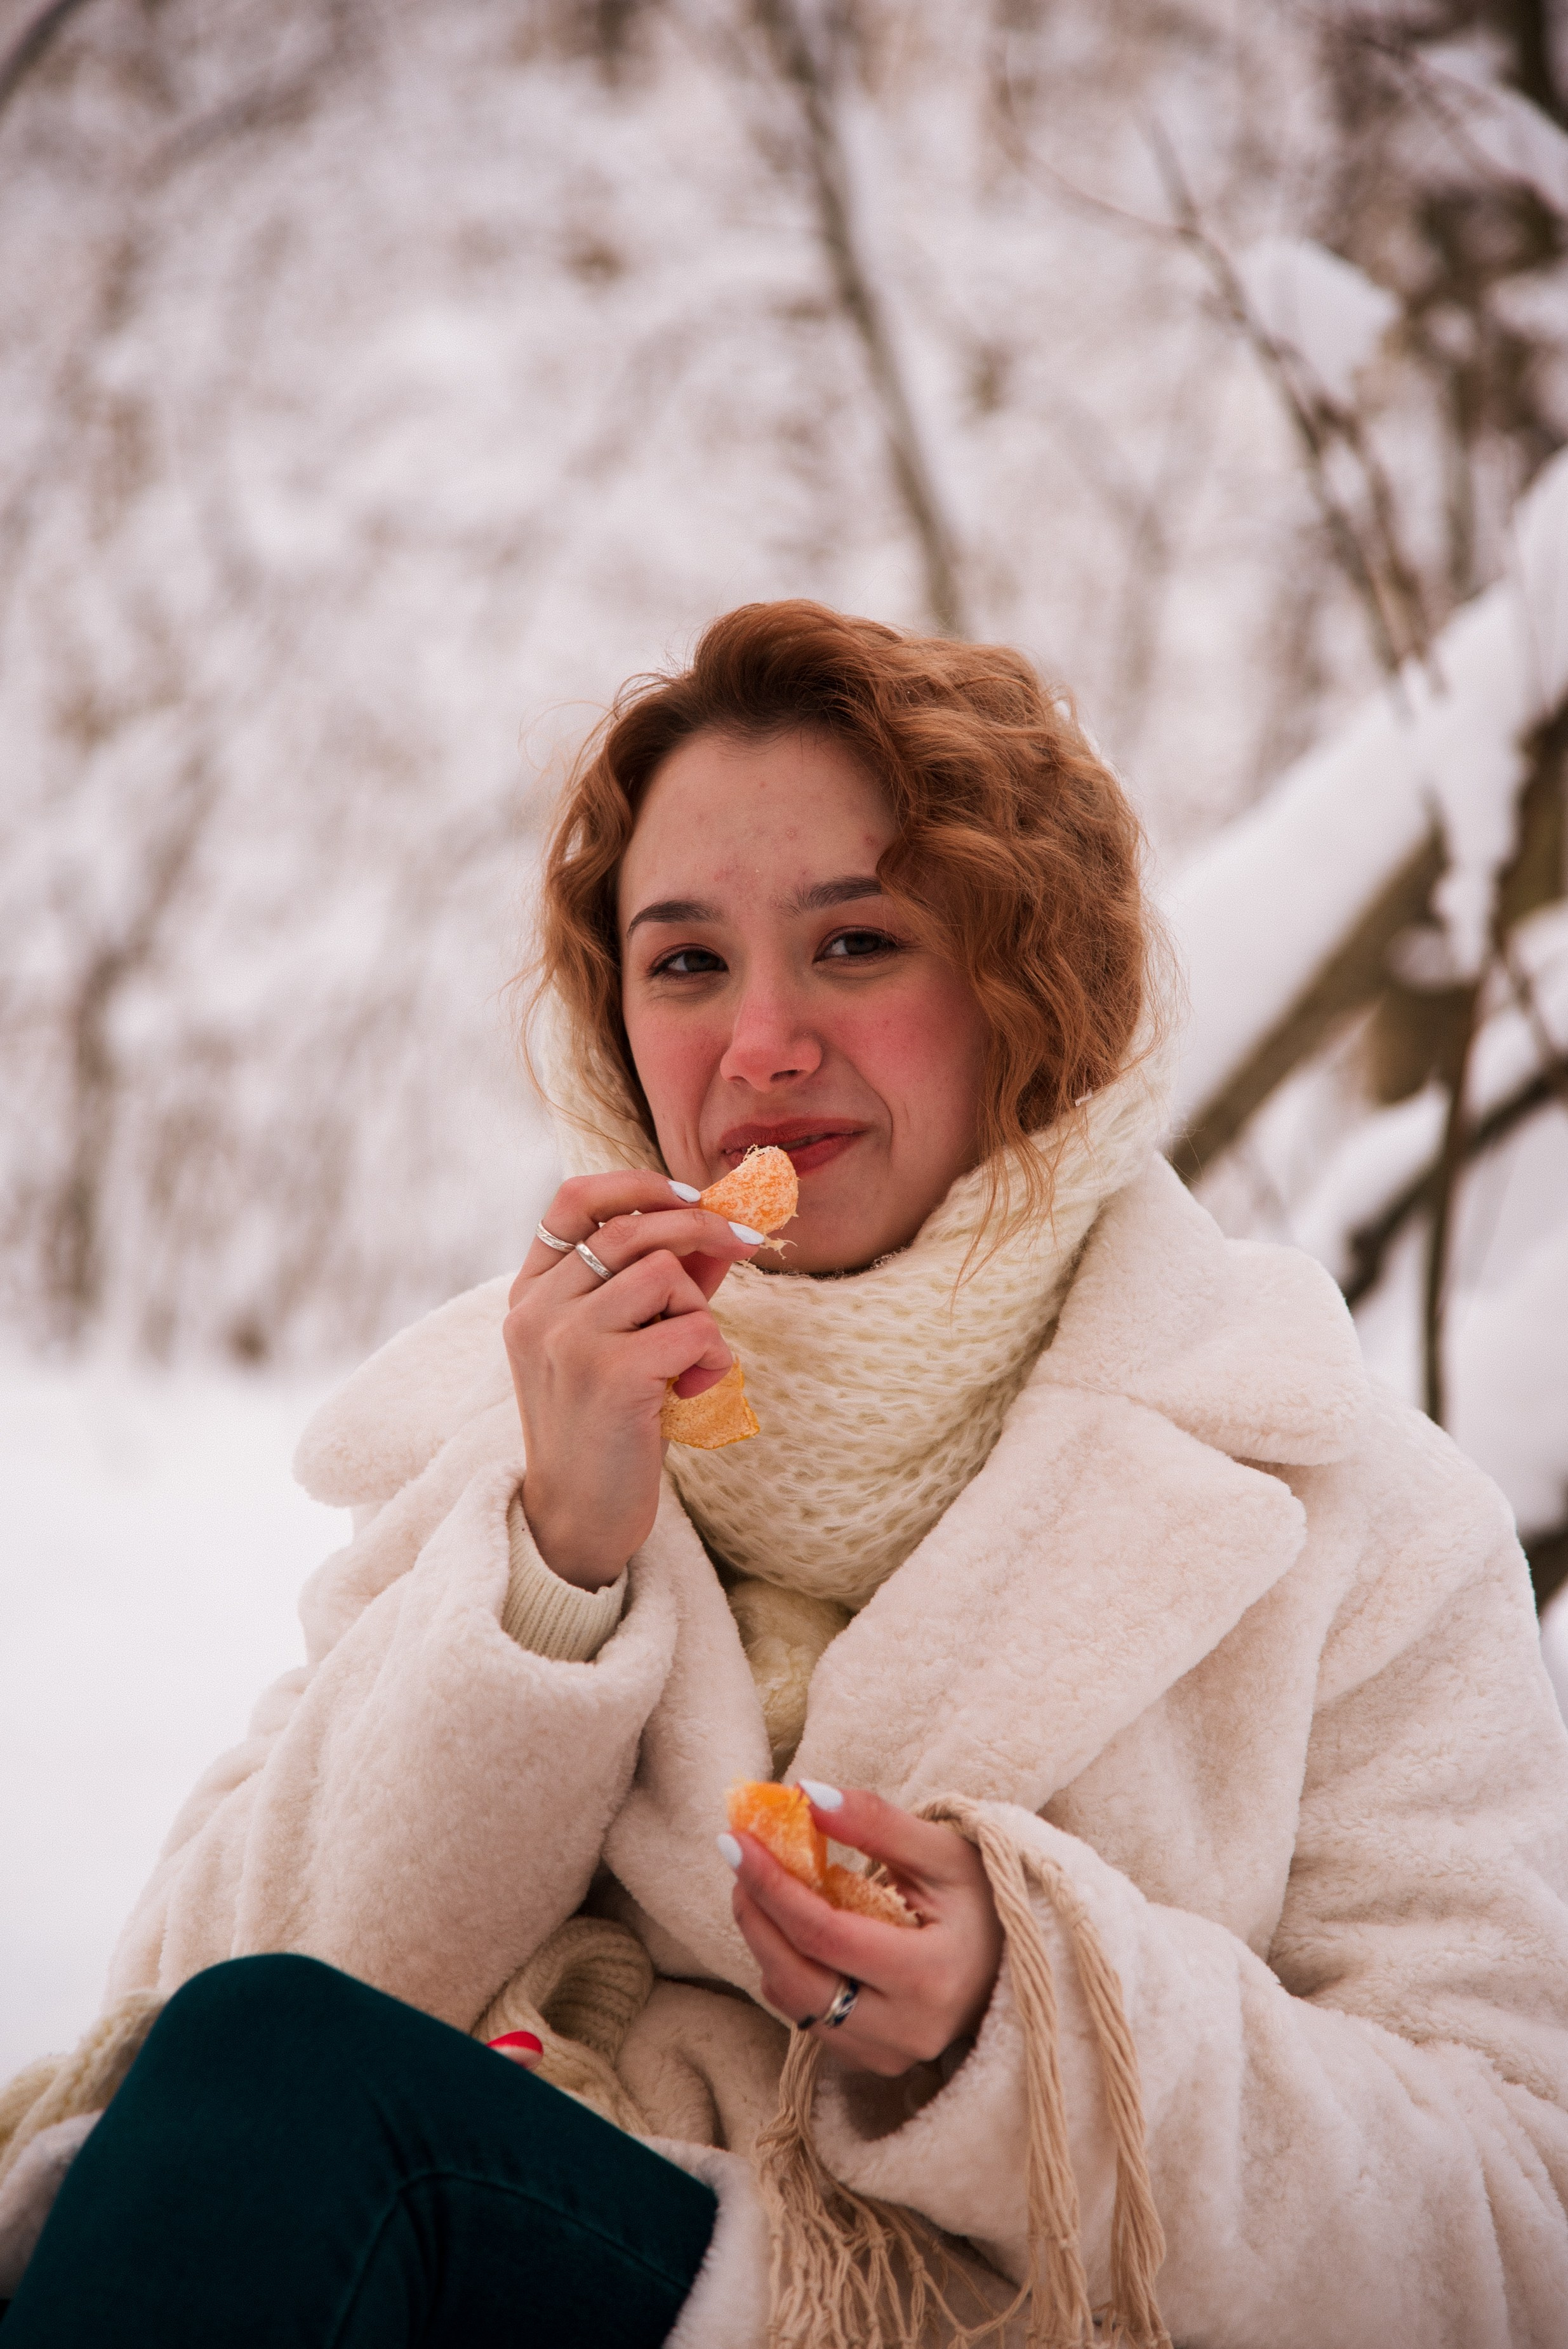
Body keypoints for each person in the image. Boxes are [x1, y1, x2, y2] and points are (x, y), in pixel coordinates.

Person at [3, 600, 1568, 2347]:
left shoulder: (1329, 1506)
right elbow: (178, 2033)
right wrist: (554, 1574)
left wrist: (1032, 2017)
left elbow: (1513, 2229)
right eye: (684, 962)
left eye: (857, 944)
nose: (758, 1041)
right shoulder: (516, 1424)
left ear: (1028, 988)